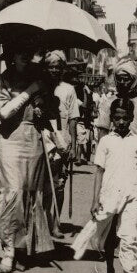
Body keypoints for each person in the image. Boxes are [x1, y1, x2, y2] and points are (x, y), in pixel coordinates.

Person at [72, 98, 137, 273]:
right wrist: (95, 200)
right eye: (117, 118)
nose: (121, 122)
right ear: (112, 119)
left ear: (131, 118)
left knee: (129, 238)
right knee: (108, 236)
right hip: (110, 194)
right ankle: (109, 270)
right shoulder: (106, 141)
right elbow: (99, 171)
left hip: (132, 195)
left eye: (125, 118)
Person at [0, 42, 62, 273]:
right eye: (19, 51)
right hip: (10, 139)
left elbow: (52, 111)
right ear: (12, 56)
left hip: (33, 140)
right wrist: (31, 91)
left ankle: (23, 249)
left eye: (28, 52)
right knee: (12, 193)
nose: (24, 55)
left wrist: (43, 106)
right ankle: (9, 250)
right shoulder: (3, 79)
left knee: (31, 195)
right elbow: (4, 112)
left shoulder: (40, 77)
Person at [95, 58, 137, 181]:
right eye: (119, 79)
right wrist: (101, 162)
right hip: (114, 155)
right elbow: (103, 132)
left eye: (126, 79)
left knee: (136, 188)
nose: (122, 82)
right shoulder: (109, 102)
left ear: (133, 79)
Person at [43, 50, 80, 237]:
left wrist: (74, 145)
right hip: (44, 139)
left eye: (58, 67)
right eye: (51, 66)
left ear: (63, 69)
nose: (55, 70)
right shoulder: (40, 86)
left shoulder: (68, 89)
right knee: (44, 185)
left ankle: (56, 223)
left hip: (62, 141)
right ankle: (45, 222)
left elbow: (73, 119)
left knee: (59, 184)